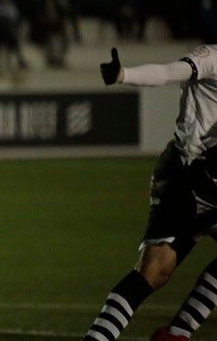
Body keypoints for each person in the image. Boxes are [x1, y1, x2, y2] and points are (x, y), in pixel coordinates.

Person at [83, 45, 217, 341]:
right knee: (155, 271)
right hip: (188, 178)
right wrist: (123, 75)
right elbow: (169, 72)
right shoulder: (213, 59)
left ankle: (176, 335)